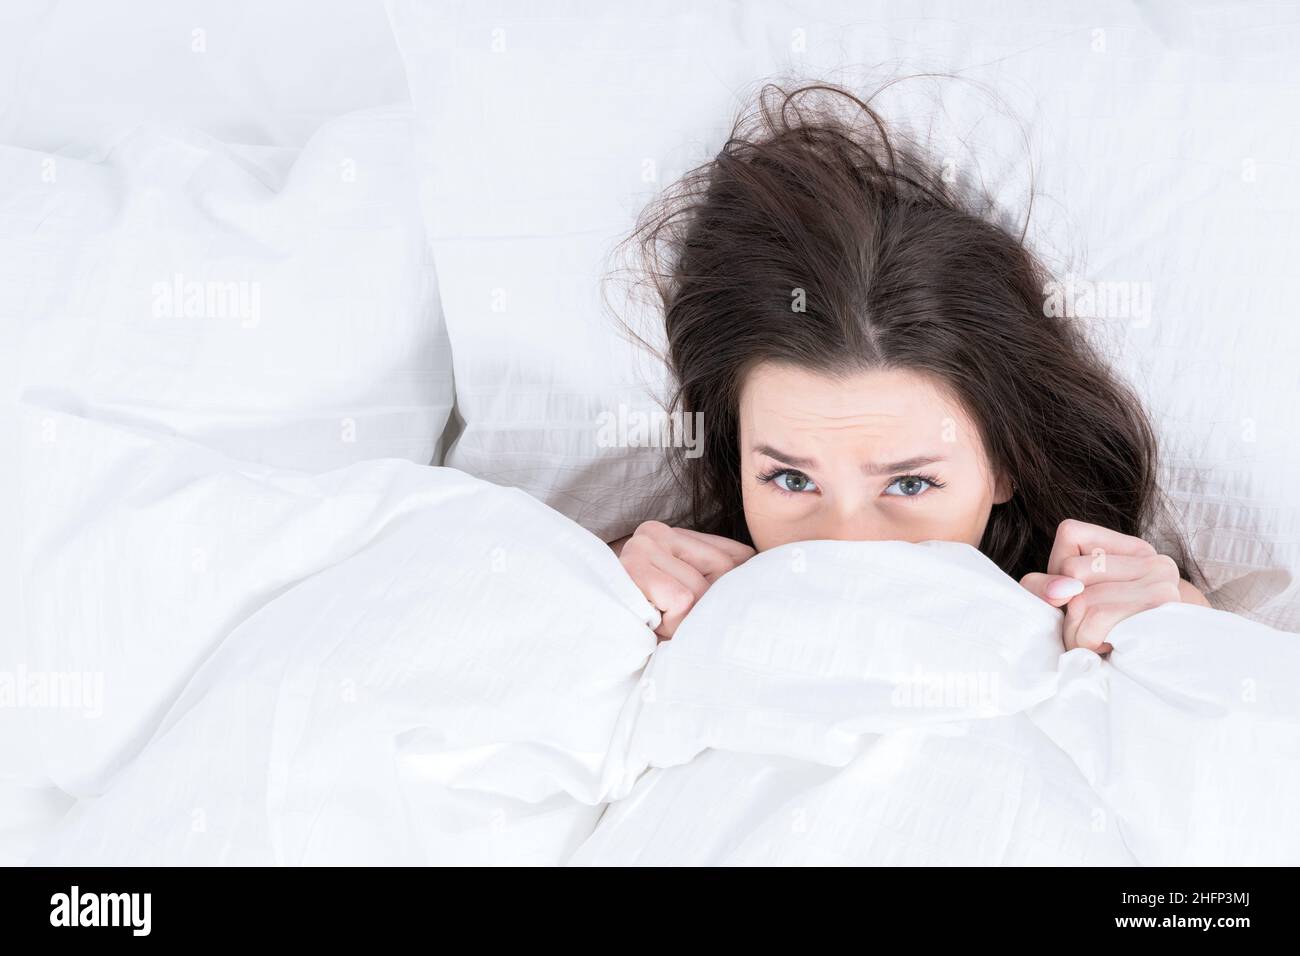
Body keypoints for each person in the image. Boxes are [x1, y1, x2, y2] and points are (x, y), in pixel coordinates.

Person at [606, 81, 1212, 651]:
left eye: (910, 484)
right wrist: (600, 601)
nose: (845, 547)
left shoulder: (1112, 625)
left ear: (1005, 465)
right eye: (791, 480)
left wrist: (1183, 638)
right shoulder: (660, 608)